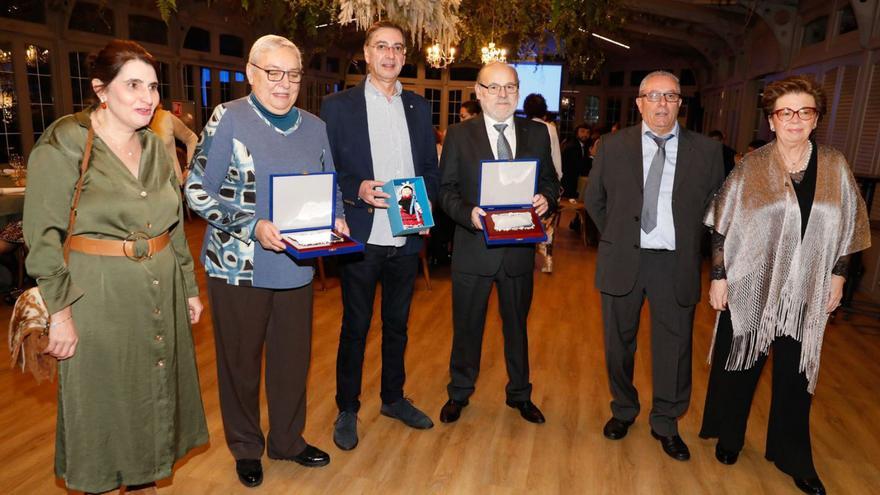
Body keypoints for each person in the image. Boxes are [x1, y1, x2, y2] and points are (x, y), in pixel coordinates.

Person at [23, 39, 207, 495]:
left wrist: (188, 288)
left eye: (152, 86)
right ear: (101, 90)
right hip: (96, 297)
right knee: (103, 410)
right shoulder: (66, 141)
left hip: (160, 289)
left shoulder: (155, 147)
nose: (147, 97)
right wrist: (60, 312)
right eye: (133, 85)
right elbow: (43, 236)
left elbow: (174, 226)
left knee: (152, 398)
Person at [185, 34, 343, 488]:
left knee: (293, 360)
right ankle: (246, 447)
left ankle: (288, 441)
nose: (284, 83)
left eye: (293, 74)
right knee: (241, 362)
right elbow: (196, 189)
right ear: (252, 73)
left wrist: (339, 218)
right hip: (239, 265)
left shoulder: (314, 126)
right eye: (273, 73)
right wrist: (251, 224)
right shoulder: (229, 118)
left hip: (297, 263)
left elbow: (329, 186)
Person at [700, 75, 869, 495]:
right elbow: (721, 224)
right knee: (741, 365)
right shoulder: (750, 167)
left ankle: (792, 455)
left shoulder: (835, 165)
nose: (795, 120)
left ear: (816, 120)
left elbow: (849, 226)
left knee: (796, 376)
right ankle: (731, 437)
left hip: (809, 290)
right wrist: (719, 278)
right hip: (754, 283)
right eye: (785, 112)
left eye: (805, 112)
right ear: (771, 121)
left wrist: (839, 274)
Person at [584, 70, 724, 461]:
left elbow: (717, 213)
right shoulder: (612, 146)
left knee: (674, 350)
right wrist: (616, 236)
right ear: (639, 102)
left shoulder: (708, 153)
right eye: (653, 96)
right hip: (622, 259)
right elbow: (594, 200)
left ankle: (666, 422)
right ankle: (623, 409)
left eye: (670, 96)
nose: (662, 104)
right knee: (617, 347)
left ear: (681, 102)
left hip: (674, 264)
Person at [321, 21, 439, 451]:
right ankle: (347, 408)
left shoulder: (419, 107)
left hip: (407, 233)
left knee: (398, 325)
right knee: (355, 326)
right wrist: (356, 189)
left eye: (398, 48)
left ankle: (392, 398)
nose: (390, 54)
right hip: (362, 232)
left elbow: (428, 166)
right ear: (366, 54)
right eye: (381, 47)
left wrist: (424, 210)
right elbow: (326, 166)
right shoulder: (338, 106)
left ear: (404, 57)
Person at [438, 61, 559, 425]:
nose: (502, 95)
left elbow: (552, 182)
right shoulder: (460, 135)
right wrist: (469, 213)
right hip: (474, 248)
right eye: (494, 87)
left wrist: (546, 200)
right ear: (478, 92)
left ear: (518, 92)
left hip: (518, 252)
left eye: (510, 87)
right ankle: (459, 393)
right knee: (467, 327)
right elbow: (445, 192)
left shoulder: (536, 134)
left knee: (517, 327)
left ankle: (520, 394)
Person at [523, 93, 562, 273]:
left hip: (527, 183)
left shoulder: (522, 127)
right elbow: (555, 158)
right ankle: (547, 263)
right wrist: (557, 182)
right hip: (546, 185)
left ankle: (526, 258)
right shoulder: (550, 128)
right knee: (547, 227)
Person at [150, 102, 198, 185]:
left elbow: (191, 138)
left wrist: (189, 168)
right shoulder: (128, 122)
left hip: (172, 185)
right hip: (142, 188)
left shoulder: (165, 117)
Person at [561, 123, 591, 199]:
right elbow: (579, 166)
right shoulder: (572, 146)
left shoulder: (584, 145)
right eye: (582, 131)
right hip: (568, 181)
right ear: (576, 133)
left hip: (573, 180)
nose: (585, 134)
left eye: (588, 132)